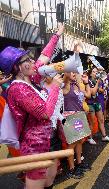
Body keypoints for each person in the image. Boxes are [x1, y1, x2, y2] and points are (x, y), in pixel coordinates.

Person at [0, 24, 64, 189]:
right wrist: (55, 87)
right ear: (17, 67)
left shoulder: (31, 78)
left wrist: (56, 35)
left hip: (47, 140)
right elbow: (44, 113)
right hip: (34, 146)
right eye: (27, 60)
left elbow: (44, 55)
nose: (32, 61)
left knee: (49, 182)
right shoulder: (18, 88)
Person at [87, 68, 109, 142]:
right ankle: (90, 138)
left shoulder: (98, 80)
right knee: (92, 122)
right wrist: (98, 84)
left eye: (96, 72)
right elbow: (93, 93)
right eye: (94, 72)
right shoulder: (88, 81)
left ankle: (104, 136)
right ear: (91, 73)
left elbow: (101, 90)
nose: (96, 73)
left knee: (101, 120)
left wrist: (102, 85)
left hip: (97, 102)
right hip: (90, 103)